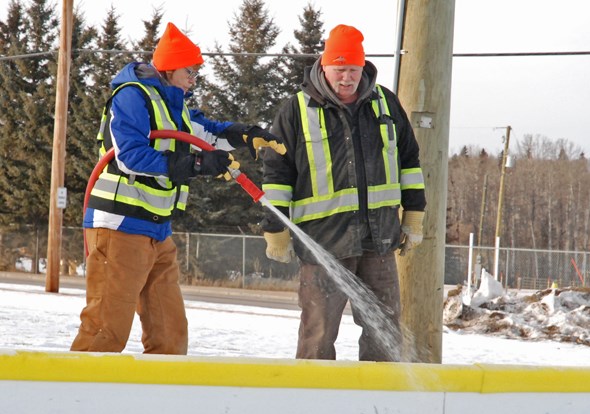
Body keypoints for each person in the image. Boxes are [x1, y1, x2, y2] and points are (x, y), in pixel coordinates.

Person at [70, 22, 285, 354]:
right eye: (190, 70)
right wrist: (199, 165)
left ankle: (161, 402)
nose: (194, 77)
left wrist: (246, 133)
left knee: (170, 335)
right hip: (120, 228)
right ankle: (76, 399)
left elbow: (206, 132)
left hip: (158, 230)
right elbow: (131, 157)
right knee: (105, 330)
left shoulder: (174, 105)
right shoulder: (132, 95)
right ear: (169, 67)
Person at [261, 24, 426, 362]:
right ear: (323, 67)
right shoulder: (296, 111)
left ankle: (379, 399)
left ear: (363, 67)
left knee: (386, 328)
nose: (347, 78)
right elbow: (277, 174)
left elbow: (409, 161)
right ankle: (314, 400)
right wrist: (274, 228)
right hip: (323, 244)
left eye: (353, 69)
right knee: (318, 332)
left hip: (378, 240)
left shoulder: (385, 105)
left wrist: (414, 215)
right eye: (339, 69)